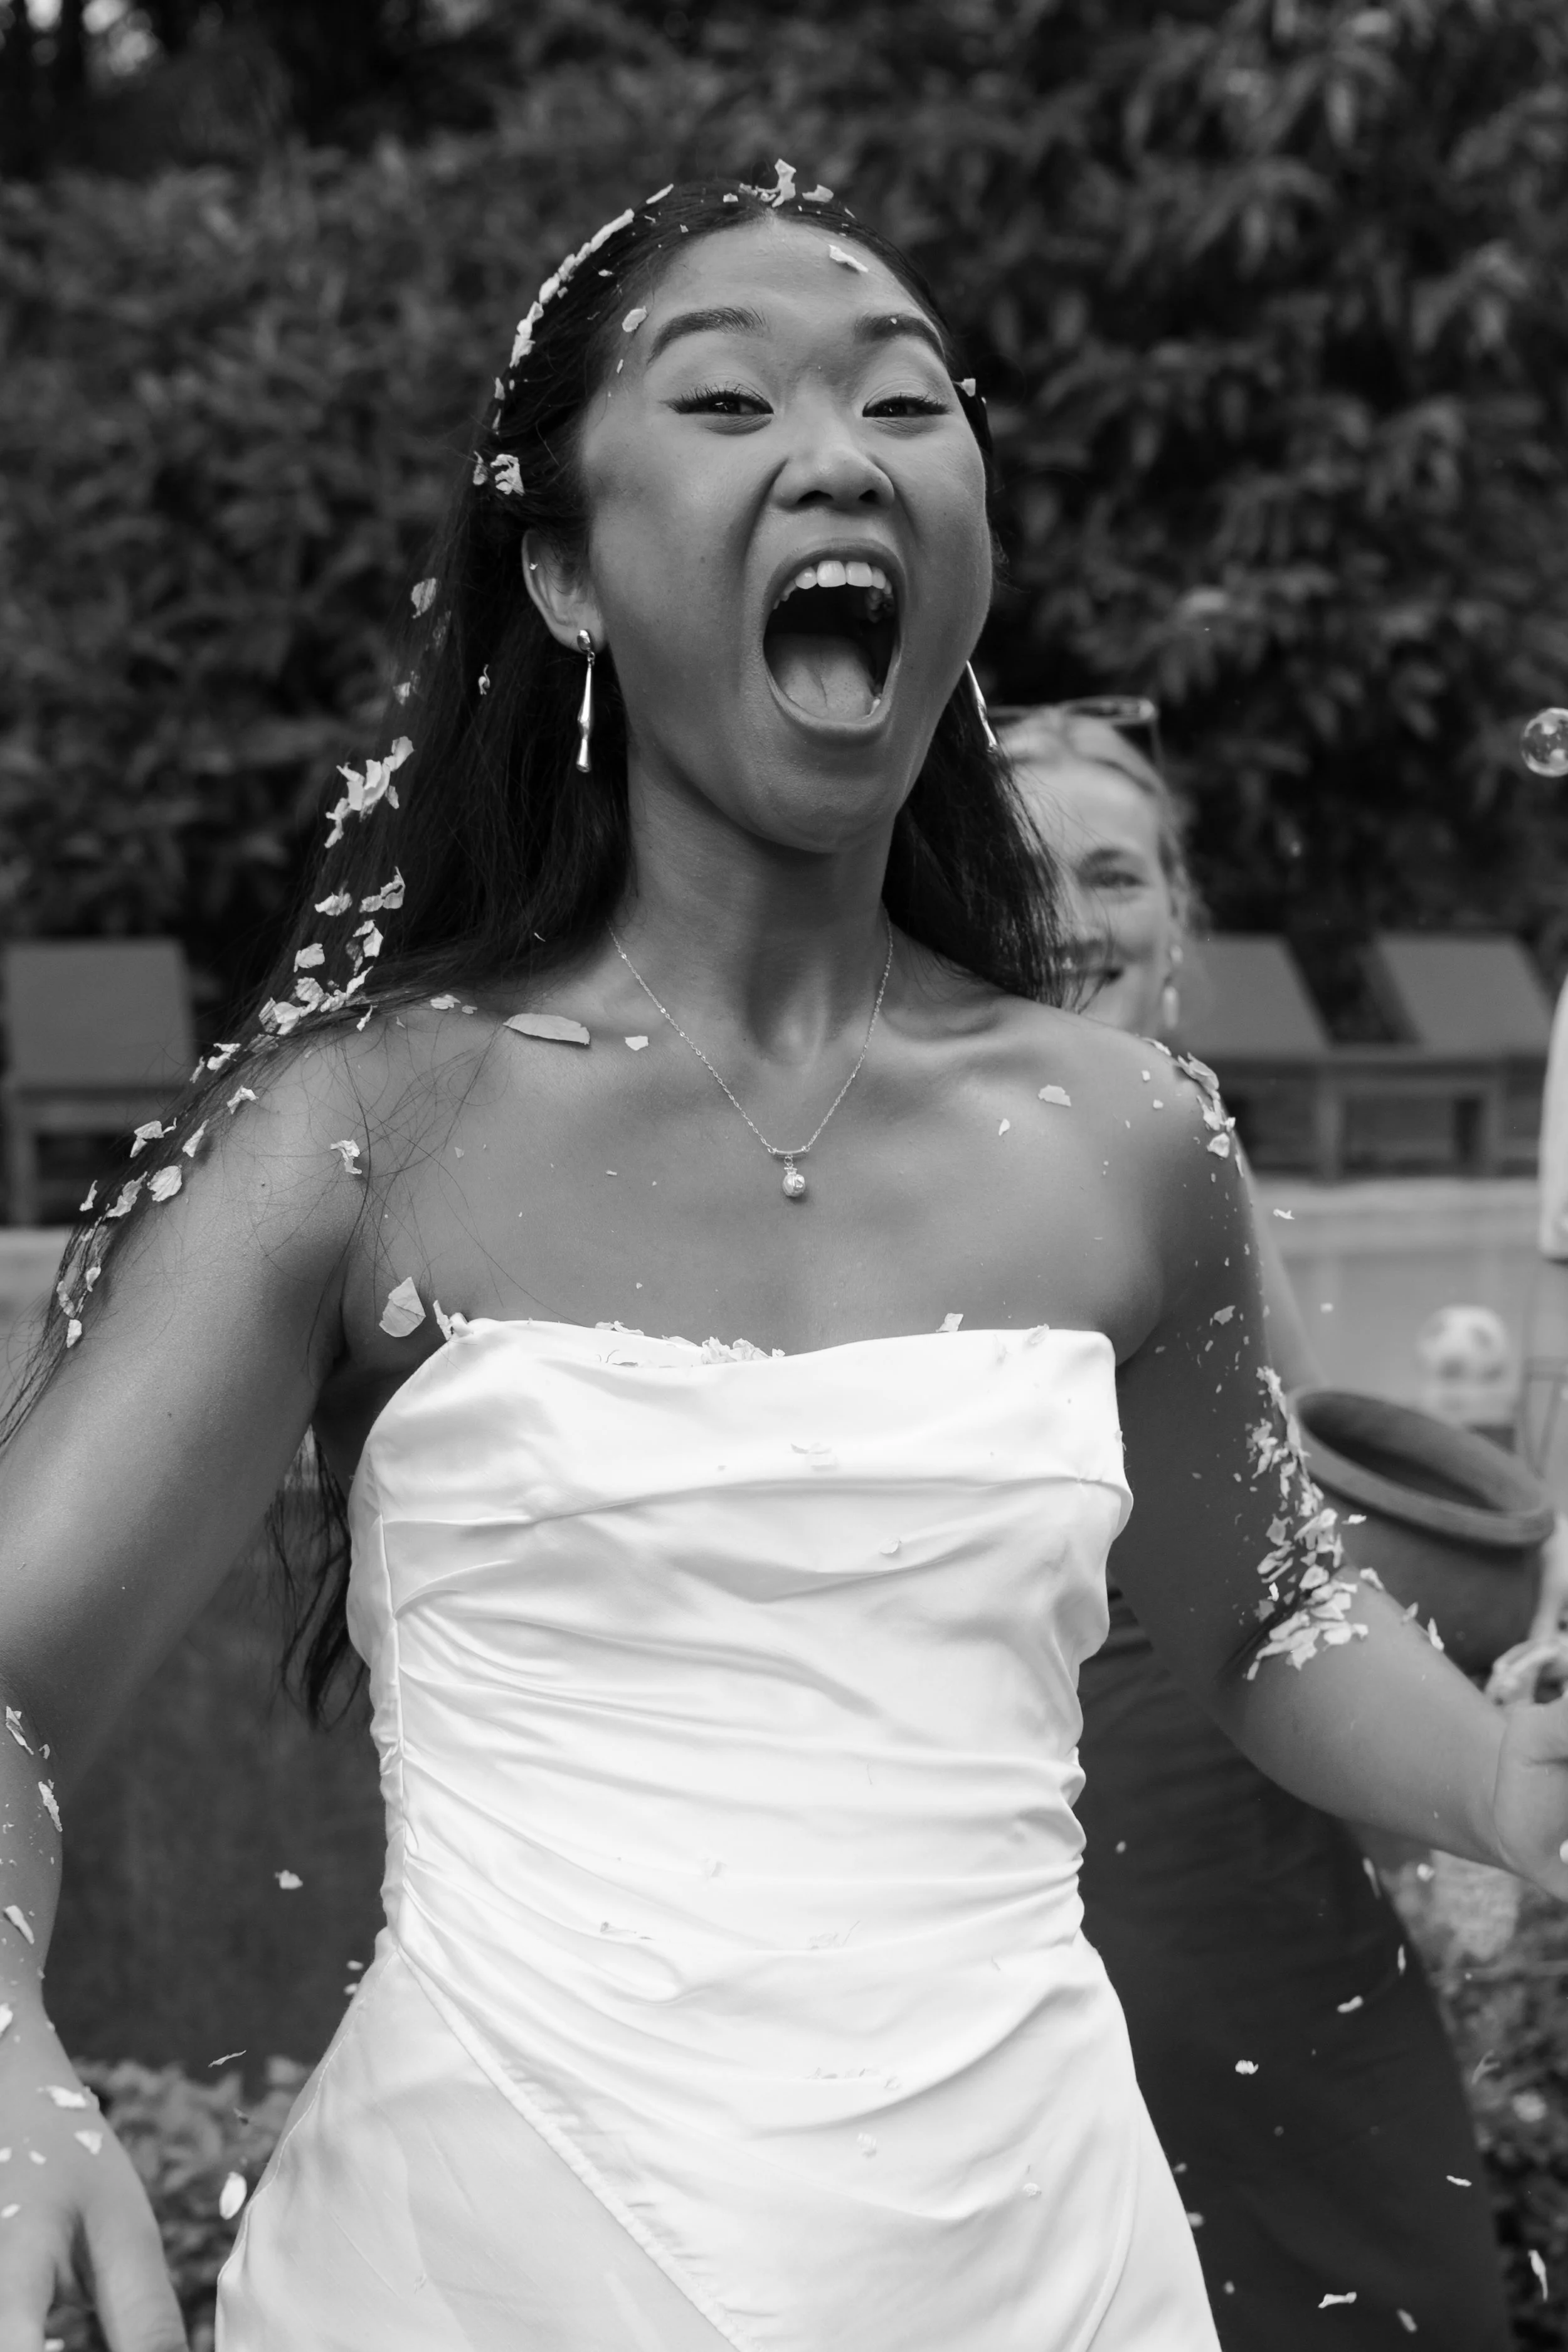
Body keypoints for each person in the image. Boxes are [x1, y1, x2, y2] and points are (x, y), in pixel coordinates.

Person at [2, 173, 1567, 2352]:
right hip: (483, 2274)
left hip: (1048, 2265)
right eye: (728, 397)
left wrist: (1503, 1782)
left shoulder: (1122, 1142)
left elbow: (1272, 1614)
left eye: (907, 402)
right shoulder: (359, 1132)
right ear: (559, 564)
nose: (839, 450)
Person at [1000, 703, 1513, 2350]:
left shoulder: (1182, 1126)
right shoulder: (854, 1141)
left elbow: (1302, 1481)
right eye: (1028, 873)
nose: (1077, 914)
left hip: (1229, 1784)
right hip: (1015, 1780)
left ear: (1174, 918)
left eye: (1114, 872)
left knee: (1347, 2252)